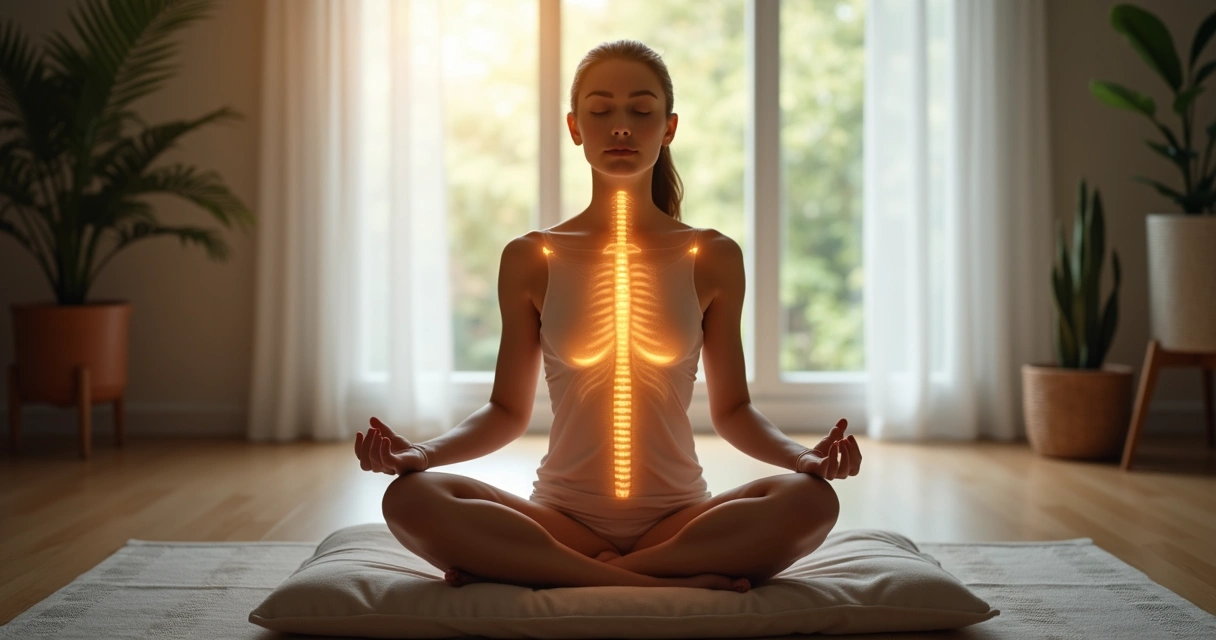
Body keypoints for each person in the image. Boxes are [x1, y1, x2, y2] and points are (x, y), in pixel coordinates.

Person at [354, 39, 862, 593]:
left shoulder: (712, 256)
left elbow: (734, 410)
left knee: (810, 501)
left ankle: (556, 574)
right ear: (576, 127)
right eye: (601, 111)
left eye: (641, 111)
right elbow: (505, 411)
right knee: (410, 496)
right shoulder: (531, 257)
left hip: (680, 521)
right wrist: (420, 454)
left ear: (668, 128)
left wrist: (804, 458)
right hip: (561, 520)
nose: (621, 126)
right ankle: (671, 580)